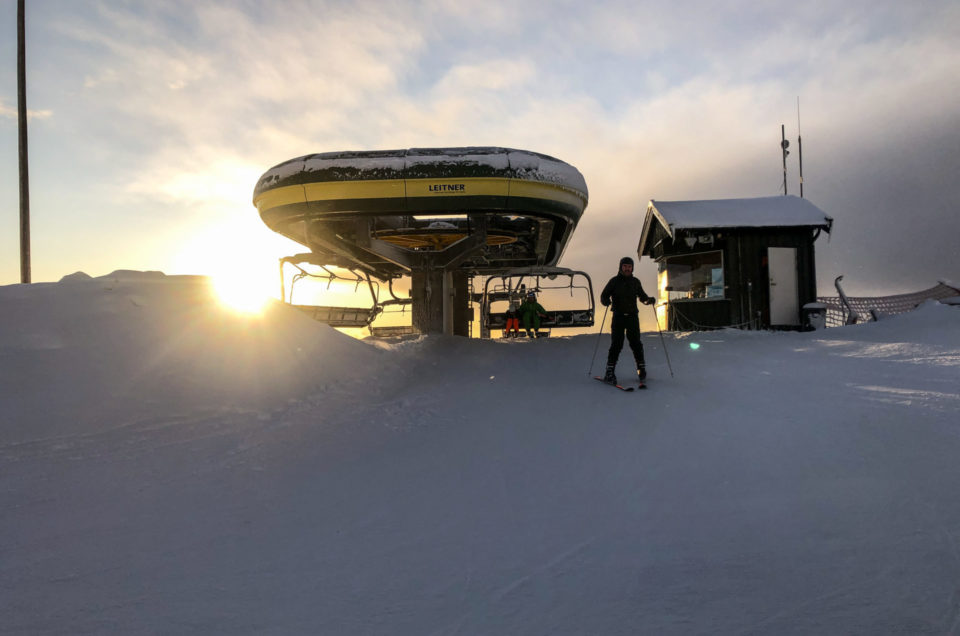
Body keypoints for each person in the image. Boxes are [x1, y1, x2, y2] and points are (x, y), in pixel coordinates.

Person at [600, 256, 655, 384]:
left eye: (629, 266)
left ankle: (641, 369)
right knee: (616, 344)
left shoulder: (635, 282)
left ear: (632, 268)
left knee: (636, 343)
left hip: (632, 317)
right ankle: (609, 372)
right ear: (621, 267)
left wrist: (648, 300)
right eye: (625, 266)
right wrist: (605, 301)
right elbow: (604, 295)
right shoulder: (614, 281)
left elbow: (642, 297)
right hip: (618, 316)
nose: (627, 268)